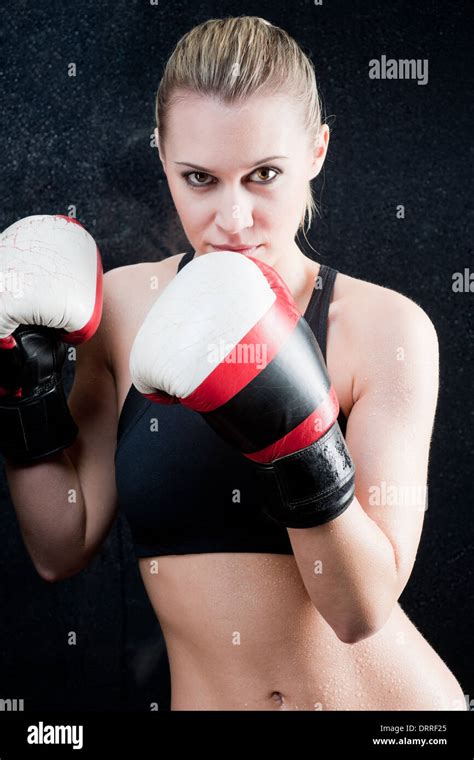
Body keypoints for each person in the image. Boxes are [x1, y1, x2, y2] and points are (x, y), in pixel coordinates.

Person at [1, 16, 466, 711]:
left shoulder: (384, 328)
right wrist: (22, 395)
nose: (234, 218)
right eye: (200, 179)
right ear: (163, 158)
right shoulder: (125, 309)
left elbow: (360, 612)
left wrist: (299, 442)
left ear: (317, 151)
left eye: (265, 175)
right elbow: (59, 546)